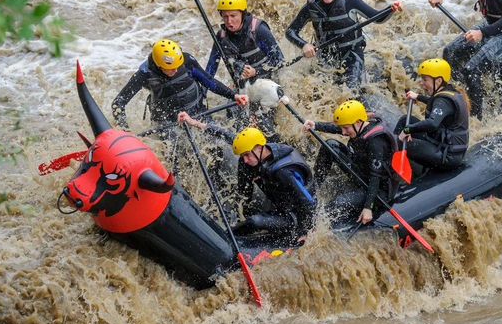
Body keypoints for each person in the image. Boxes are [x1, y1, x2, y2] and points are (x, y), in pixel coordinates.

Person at [179, 113, 316, 241]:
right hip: (279, 196)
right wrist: (192, 122)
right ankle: (245, 203)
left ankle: (224, 238)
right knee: (245, 168)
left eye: (247, 155)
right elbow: (224, 134)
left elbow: (308, 203)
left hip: (294, 214)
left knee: (254, 222)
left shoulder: (283, 172)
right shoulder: (255, 150)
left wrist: (305, 232)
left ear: (259, 147)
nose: (245, 159)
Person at [285, 0, 402, 90]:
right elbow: (290, 31)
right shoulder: (311, 6)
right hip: (326, 56)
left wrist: (390, 9)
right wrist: (304, 45)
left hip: (352, 54)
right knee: (317, 90)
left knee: (351, 89)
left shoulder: (349, 0)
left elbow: (376, 18)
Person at [112, 39, 248, 130]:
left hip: (198, 113)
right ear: (159, 65)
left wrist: (233, 95)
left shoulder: (186, 60)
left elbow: (210, 82)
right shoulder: (144, 74)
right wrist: (125, 131)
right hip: (168, 124)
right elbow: (118, 103)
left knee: (216, 148)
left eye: (178, 66)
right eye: (171, 68)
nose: (176, 70)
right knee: (177, 159)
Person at [303, 100, 397, 225]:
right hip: (360, 170)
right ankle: (314, 188)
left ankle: (313, 225)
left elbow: (376, 177)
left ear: (358, 122)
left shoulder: (377, 141)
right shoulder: (359, 125)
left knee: (339, 203)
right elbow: (339, 128)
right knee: (330, 145)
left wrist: (368, 207)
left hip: (377, 188)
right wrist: (315, 125)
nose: (343, 132)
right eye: (343, 128)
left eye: (346, 128)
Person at [396, 59, 470, 175]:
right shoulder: (449, 92)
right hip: (441, 143)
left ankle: (395, 171)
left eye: (425, 80)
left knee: (399, 142)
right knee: (405, 120)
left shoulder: (444, 101)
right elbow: (435, 103)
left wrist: (407, 130)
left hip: (447, 155)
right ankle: (399, 161)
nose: (422, 83)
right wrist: (418, 97)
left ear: (439, 80)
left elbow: (432, 123)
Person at [205, 0, 285, 85]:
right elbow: (210, 70)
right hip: (244, 87)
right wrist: (202, 93)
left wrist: (256, 72)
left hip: (270, 83)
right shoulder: (221, 37)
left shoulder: (258, 30)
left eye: (233, 16)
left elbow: (279, 61)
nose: (229, 21)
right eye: (225, 16)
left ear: (243, 14)